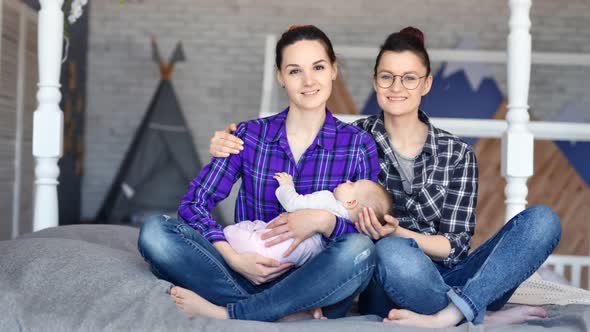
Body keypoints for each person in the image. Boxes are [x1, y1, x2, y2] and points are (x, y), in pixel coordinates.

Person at [208, 27, 562, 327]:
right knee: (392, 252)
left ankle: (452, 313)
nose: (397, 87)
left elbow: (455, 248)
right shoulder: (351, 141)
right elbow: (307, 175)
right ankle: (473, 311)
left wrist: (400, 232)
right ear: (375, 82)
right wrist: (234, 137)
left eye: (410, 78)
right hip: (388, 280)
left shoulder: (457, 153)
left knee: (542, 221)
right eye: (386, 76)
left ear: (426, 84)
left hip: (448, 275)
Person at [137, 25, 381, 322]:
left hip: (314, 281)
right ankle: (283, 313)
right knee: (156, 233)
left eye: (317, 67)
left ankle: (232, 312)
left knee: (361, 250)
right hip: (243, 272)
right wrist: (234, 258)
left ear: (333, 69)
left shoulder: (358, 144)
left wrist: (324, 221)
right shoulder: (249, 135)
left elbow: (365, 230)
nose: (308, 81)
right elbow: (194, 203)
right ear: (280, 76)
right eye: (294, 71)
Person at [225, 172, 393, 267]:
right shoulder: (348, 234)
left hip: (264, 246)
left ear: (351, 202)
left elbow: (292, 203)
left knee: (229, 232)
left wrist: (286, 185)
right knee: (256, 227)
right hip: (288, 261)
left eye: (352, 184)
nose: (348, 180)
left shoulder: (327, 199)